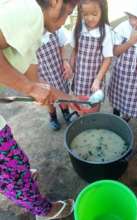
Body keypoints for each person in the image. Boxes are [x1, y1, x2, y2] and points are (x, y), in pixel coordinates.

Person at [0, 0, 78, 219]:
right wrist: (29, 87)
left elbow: (35, 81)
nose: (64, 23)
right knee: (10, 172)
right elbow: (30, 85)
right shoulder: (29, 11)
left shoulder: (34, 31)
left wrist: (72, 100)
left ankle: (21, 176)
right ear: (55, 2)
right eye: (67, 13)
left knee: (14, 158)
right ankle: (44, 211)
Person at [37, 1, 76, 130]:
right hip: (42, 73)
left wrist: (65, 61)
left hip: (57, 69)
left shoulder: (56, 29)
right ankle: (52, 116)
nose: (65, 21)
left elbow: (62, 45)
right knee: (49, 99)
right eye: (67, 13)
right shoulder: (34, 33)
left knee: (62, 92)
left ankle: (66, 113)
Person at [70, 0, 113, 112]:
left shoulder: (105, 31)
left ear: (102, 11)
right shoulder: (79, 27)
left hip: (95, 78)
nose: (89, 18)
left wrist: (98, 79)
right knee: (81, 105)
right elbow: (75, 50)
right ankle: (83, 119)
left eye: (94, 14)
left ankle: (93, 121)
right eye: (85, 14)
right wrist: (70, 66)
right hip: (80, 77)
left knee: (94, 104)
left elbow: (107, 59)